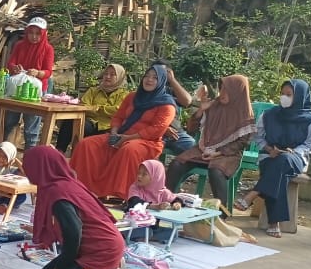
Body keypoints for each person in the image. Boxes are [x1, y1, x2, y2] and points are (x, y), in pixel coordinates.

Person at [22, 146, 134, 269]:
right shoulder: (64, 183)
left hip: (101, 250)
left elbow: (74, 234)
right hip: (88, 246)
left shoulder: (58, 193)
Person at [70, 64, 178, 200]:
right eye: (147, 76)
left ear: (161, 81)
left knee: (129, 150)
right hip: (121, 134)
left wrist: (128, 138)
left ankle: (117, 195)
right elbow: (118, 117)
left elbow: (156, 130)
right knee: (86, 144)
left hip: (147, 142)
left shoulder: (167, 105)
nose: (149, 80)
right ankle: (80, 187)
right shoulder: (133, 97)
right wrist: (114, 133)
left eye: (155, 78)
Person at [235, 79, 311, 238]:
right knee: (278, 170)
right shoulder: (270, 115)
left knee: (284, 160)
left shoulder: (310, 119)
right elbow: (258, 137)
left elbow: (310, 145)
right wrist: (268, 149)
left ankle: (254, 193)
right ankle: (273, 223)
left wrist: (292, 151)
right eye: (282, 94)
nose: (284, 97)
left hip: (296, 158)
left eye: (288, 94)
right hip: (270, 156)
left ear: (300, 96)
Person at [166, 75, 255, 207]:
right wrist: (202, 109)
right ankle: (167, 200)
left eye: (227, 90)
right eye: (221, 88)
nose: (222, 93)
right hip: (202, 149)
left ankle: (221, 213)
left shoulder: (245, 114)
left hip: (227, 154)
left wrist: (218, 153)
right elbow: (191, 129)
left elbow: (242, 143)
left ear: (237, 92)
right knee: (177, 164)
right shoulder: (214, 105)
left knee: (216, 172)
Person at [3, 17, 55, 148]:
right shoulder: (19, 45)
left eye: (38, 33)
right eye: (31, 32)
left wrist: (37, 73)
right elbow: (11, 63)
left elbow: (48, 72)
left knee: (31, 126)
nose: (34, 36)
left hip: (35, 90)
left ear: (44, 34)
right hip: (17, 87)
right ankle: (4, 152)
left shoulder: (48, 49)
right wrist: (15, 68)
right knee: (10, 122)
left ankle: (29, 158)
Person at [57, 63, 129, 152]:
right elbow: (84, 106)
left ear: (120, 77)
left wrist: (97, 108)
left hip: (108, 126)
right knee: (70, 122)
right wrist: (102, 110)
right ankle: (59, 152)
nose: (108, 76)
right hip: (90, 122)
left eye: (112, 74)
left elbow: (118, 111)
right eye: (106, 74)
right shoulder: (93, 90)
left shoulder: (124, 95)